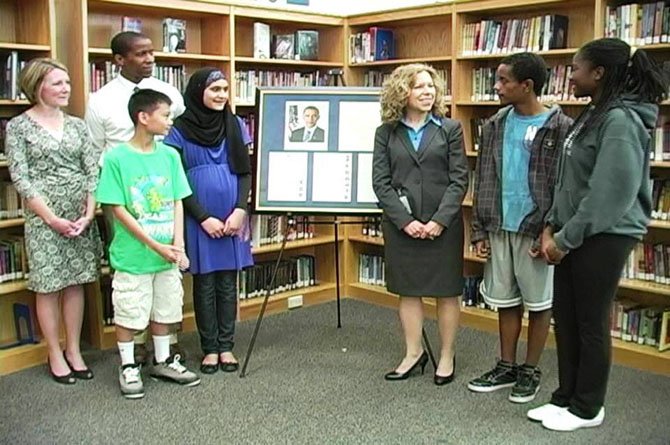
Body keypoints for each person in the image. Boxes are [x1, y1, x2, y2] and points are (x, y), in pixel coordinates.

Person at [529, 38, 668, 431]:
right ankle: (566, 397)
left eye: (575, 68)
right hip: (573, 230)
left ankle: (588, 407)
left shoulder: (620, 120)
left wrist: (565, 238)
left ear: (599, 73)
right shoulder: (594, 111)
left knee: (590, 322)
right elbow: (570, 179)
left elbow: (609, 193)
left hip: (604, 234)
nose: (570, 75)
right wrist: (551, 225)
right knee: (567, 317)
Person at [467, 53, 572, 403]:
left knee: (539, 303)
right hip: (500, 226)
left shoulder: (560, 127)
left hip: (535, 231)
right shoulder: (495, 124)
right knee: (505, 300)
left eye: (503, 81)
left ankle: (530, 369)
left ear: (526, 86)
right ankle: (506, 365)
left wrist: (550, 229)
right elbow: (483, 176)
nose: (496, 87)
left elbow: (563, 184)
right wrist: (479, 228)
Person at [85, 31, 185, 364]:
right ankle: (134, 346)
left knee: (165, 279)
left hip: (159, 186)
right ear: (119, 60)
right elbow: (94, 150)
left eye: (151, 52)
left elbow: (170, 128)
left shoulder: (167, 94)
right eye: (140, 54)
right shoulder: (101, 100)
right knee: (133, 275)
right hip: (125, 195)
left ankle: (164, 347)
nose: (150, 59)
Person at [96, 89, 200, 399]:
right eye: (165, 115)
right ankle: (128, 365)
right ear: (143, 117)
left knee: (166, 308)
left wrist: (177, 244)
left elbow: (179, 200)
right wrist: (157, 246)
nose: (170, 121)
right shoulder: (116, 158)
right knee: (130, 310)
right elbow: (117, 209)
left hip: (168, 253)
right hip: (134, 255)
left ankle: (164, 359)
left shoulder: (169, 155)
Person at [6, 58, 102, 384]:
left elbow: (92, 169)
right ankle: (54, 351)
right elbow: (21, 178)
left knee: (75, 282)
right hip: (44, 218)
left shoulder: (76, 124)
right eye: (58, 83)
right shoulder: (19, 126)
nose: (66, 89)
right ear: (37, 87)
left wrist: (89, 213)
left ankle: (74, 349)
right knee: (48, 286)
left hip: (80, 215)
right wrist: (51, 218)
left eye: (68, 83)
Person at [372, 63, 468, 385]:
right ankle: (414, 353)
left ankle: (446, 355)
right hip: (402, 227)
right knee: (408, 291)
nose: (428, 92)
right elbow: (381, 182)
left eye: (431, 86)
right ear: (403, 92)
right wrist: (405, 222)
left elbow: (459, 180)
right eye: (420, 87)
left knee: (446, 292)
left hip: (444, 226)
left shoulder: (450, 129)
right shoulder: (386, 132)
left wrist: (440, 221)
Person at [164, 68, 253, 374]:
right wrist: (202, 217)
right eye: (215, 88)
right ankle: (210, 348)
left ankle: (227, 346)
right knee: (204, 284)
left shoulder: (236, 124)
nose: (221, 95)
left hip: (232, 215)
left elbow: (245, 171)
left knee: (228, 282)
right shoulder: (178, 129)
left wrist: (241, 209)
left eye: (226, 89)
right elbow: (175, 180)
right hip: (198, 217)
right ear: (198, 90)